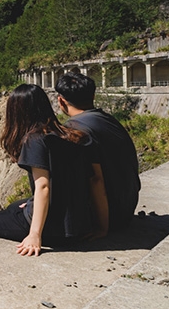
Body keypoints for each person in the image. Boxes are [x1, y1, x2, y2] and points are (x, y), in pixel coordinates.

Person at [0, 84, 94, 256]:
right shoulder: (70, 135)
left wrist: (34, 235)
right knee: (13, 206)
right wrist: (102, 226)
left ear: (15, 112)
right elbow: (90, 180)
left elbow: (43, 187)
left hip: (55, 231)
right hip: (78, 224)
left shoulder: (34, 140)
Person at [55, 72, 140, 234]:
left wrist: (102, 227)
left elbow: (95, 180)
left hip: (109, 217)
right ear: (93, 95)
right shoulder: (109, 120)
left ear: (61, 101)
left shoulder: (74, 129)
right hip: (126, 208)